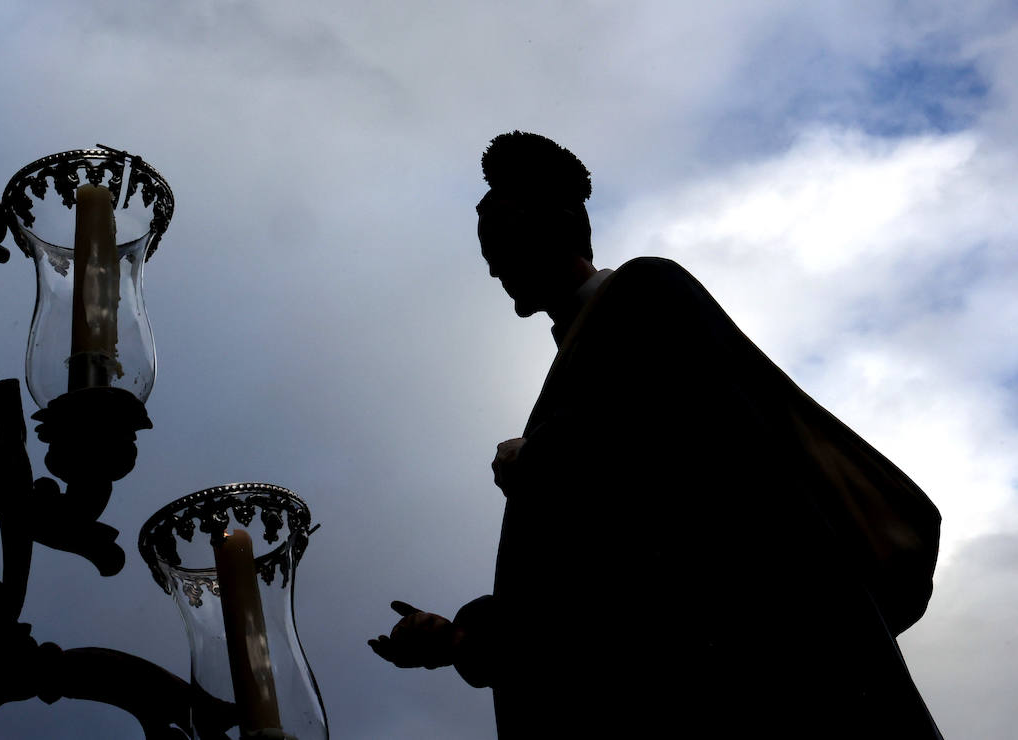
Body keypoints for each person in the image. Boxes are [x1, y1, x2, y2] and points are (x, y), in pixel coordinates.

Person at [370, 132, 945, 738]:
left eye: (501, 229)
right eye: (484, 244)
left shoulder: (647, 291)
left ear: (562, 223)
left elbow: (695, 475)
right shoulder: (576, 375)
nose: (492, 260)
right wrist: (468, 638)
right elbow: (605, 579)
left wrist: (534, 461)